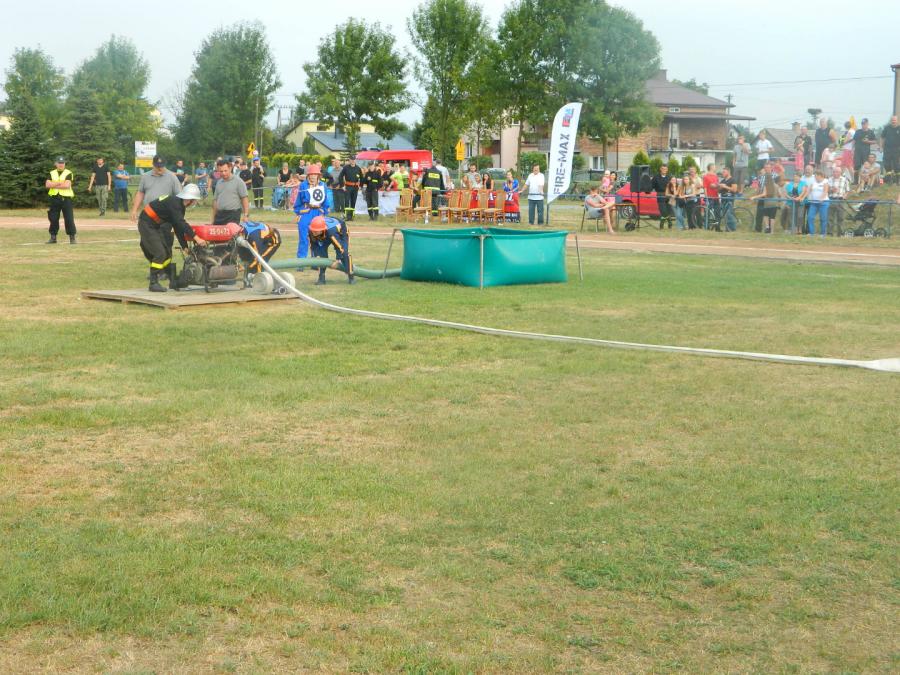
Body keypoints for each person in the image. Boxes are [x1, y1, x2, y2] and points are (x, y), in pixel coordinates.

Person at [138, 183, 207, 292]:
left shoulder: (179, 206)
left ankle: (172, 280)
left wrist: (184, 246)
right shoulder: (175, 204)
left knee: (167, 253)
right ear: (189, 199)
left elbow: (178, 227)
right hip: (147, 223)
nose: (195, 202)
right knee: (160, 253)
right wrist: (196, 238)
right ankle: (153, 283)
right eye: (194, 200)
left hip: (155, 225)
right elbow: (181, 223)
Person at [293, 163, 332, 258]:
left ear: (318, 175)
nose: (313, 176)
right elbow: (298, 202)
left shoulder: (323, 185)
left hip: (318, 213)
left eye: (315, 174)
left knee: (318, 238)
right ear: (308, 175)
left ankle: (316, 260)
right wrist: (299, 211)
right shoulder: (303, 185)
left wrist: (324, 211)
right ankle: (301, 261)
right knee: (304, 237)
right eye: (311, 174)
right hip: (306, 212)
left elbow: (325, 200)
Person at [130, 155, 182, 221]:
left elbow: (179, 196)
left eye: (162, 166)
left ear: (165, 165)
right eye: (157, 166)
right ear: (153, 165)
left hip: (165, 215)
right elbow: (140, 193)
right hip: (148, 213)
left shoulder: (172, 177)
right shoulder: (145, 176)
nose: (160, 168)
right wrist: (134, 210)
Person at [308, 216, 355, 285]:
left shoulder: (331, 232)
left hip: (342, 232)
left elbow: (339, 247)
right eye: (313, 230)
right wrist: (316, 256)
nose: (314, 232)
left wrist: (337, 260)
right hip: (325, 233)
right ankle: (321, 279)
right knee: (321, 255)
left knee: (344, 254)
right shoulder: (311, 231)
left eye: (316, 231)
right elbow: (313, 246)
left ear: (322, 229)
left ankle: (351, 276)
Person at [45, 156, 76, 244]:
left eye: (62, 163)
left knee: (69, 218)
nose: (61, 164)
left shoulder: (68, 173)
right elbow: (47, 185)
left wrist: (53, 184)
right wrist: (59, 183)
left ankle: (72, 238)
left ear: (65, 164)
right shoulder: (52, 173)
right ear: (56, 164)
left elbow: (66, 186)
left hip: (66, 199)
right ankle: (53, 237)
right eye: (59, 163)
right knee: (53, 218)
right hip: (54, 198)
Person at [211, 158, 250, 226]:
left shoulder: (239, 181)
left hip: (233, 215)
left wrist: (246, 215)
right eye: (221, 171)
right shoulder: (219, 183)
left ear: (230, 168)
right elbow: (215, 201)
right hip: (219, 215)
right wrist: (213, 219)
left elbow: (244, 199)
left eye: (225, 170)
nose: (223, 173)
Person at [797, 168, 830, 236]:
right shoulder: (813, 182)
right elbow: (808, 191)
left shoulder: (825, 182)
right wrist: (803, 197)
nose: (815, 177)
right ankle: (812, 233)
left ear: (820, 175)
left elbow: (825, 191)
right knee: (810, 217)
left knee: (823, 218)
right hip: (814, 203)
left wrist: (822, 198)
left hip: (823, 203)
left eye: (816, 176)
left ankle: (823, 234)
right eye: (815, 176)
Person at [828, 165, 851, 234]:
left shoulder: (845, 180)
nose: (835, 173)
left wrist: (845, 196)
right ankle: (830, 233)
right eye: (834, 172)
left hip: (840, 200)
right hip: (831, 199)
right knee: (830, 217)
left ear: (840, 172)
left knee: (840, 217)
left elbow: (847, 190)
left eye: (837, 172)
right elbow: (826, 190)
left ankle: (840, 233)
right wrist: (831, 190)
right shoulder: (829, 179)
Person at [716, 167, 739, 232]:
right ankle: (727, 228)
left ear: (728, 172)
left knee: (729, 214)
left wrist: (725, 186)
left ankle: (732, 229)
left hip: (730, 200)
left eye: (724, 172)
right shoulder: (723, 181)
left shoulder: (732, 179)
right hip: (723, 199)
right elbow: (718, 190)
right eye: (722, 172)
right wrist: (720, 186)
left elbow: (734, 190)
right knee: (725, 215)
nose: (722, 173)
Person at [881, 115, 900, 183]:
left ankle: (897, 180)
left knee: (896, 164)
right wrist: (881, 147)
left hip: (896, 149)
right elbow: (882, 137)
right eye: (892, 120)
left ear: (897, 121)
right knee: (887, 164)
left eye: (894, 120)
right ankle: (889, 180)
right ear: (890, 121)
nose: (893, 121)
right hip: (887, 149)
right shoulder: (887, 128)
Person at [702, 163, 719, 229]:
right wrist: (706, 197)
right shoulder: (706, 176)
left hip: (716, 196)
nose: (715, 167)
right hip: (709, 197)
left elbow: (717, 185)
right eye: (714, 166)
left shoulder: (716, 176)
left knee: (717, 212)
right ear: (711, 167)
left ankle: (717, 227)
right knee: (708, 212)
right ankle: (706, 226)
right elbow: (705, 187)